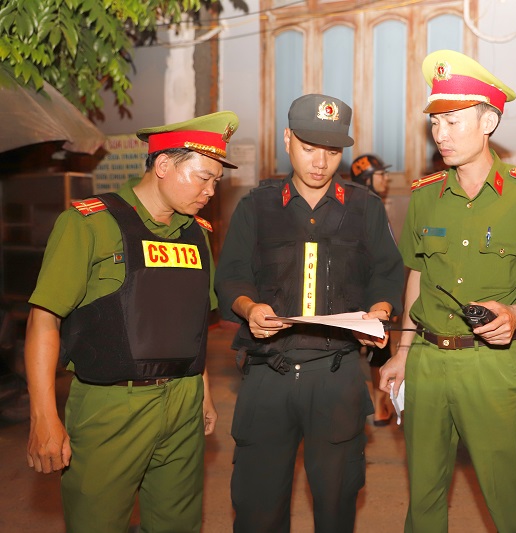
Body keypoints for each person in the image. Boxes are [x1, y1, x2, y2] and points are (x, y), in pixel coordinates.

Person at [379, 50, 516, 532]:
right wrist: (403, 352)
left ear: (488, 122)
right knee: (423, 494)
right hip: (427, 360)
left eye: (452, 122)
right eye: (434, 123)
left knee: (506, 493)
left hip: (491, 365)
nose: (440, 135)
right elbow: (417, 275)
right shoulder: (425, 195)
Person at [25, 111, 239, 532]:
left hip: (183, 401)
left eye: (216, 181)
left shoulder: (196, 234)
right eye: (203, 178)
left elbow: (193, 322)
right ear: (163, 165)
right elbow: (44, 320)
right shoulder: (90, 224)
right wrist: (43, 415)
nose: (210, 192)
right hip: (111, 406)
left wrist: (203, 391)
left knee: (178, 524)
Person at [215, 94, 404, 533]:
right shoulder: (256, 206)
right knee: (258, 507)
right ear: (287, 140)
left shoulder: (365, 208)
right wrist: (249, 307)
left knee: (337, 504)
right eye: (309, 148)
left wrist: (378, 312)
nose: (321, 162)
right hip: (269, 374)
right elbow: (232, 276)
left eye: (333, 151)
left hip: (336, 375)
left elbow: (386, 274)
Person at [350, 153, 395, 425]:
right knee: (379, 349)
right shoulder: (371, 205)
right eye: (381, 174)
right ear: (367, 178)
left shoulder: (350, 203)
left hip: (353, 291)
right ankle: (379, 408)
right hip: (369, 292)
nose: (386, 179)